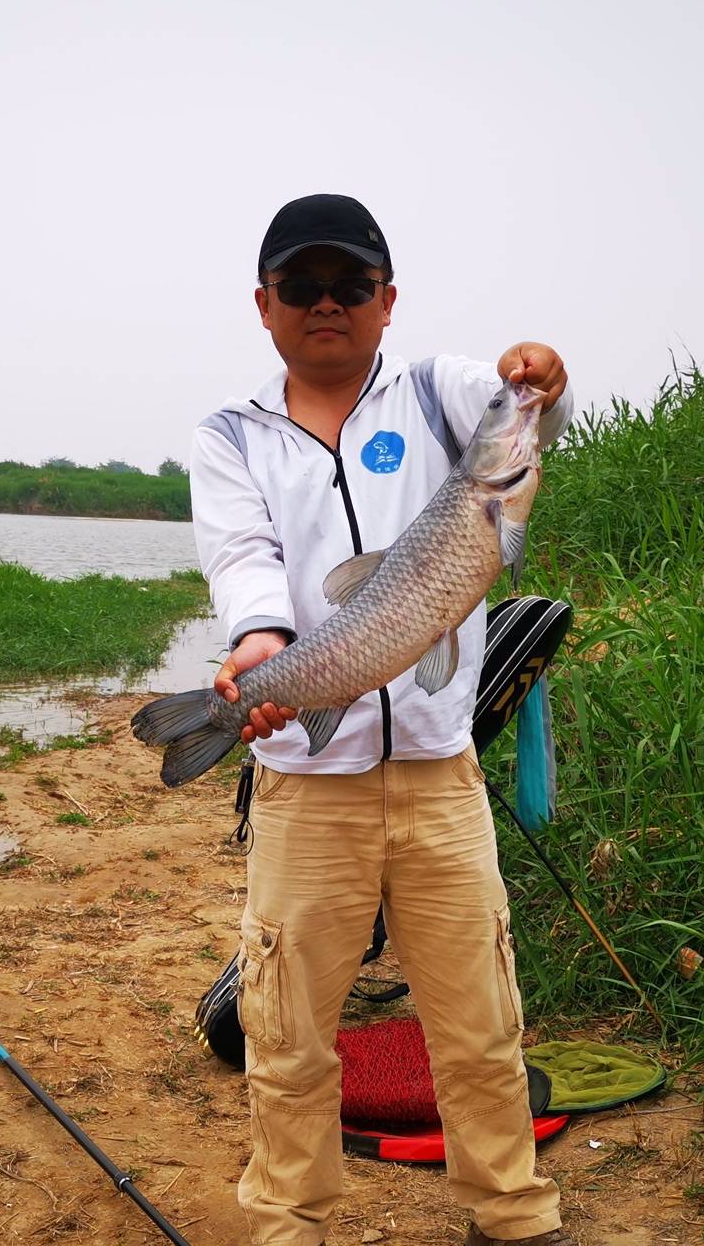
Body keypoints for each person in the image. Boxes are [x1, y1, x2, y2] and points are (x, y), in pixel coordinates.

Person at [187, 193, 577, 1246]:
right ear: (264, 303)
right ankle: (290, 1223)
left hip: (442, 776)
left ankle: (511, 1213)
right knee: (288, 1031)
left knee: (481, 1021)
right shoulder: (231, 434)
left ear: (387, 299)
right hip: (309, 791)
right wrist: (263, 645)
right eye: (302, 286)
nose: (328, 303)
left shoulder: (444, 393)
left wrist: (540, 376)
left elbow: (532, 398)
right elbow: (241, 557)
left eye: (351, 284)